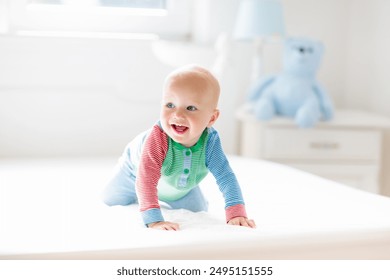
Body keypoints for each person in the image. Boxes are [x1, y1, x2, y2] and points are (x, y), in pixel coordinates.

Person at [102, 65, 256, 231]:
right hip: (133, 175)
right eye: (170, 105)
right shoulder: (157, 139)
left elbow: (226, 177)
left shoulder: (210, 142)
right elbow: (146, 179)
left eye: (190, 108)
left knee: (200, 211)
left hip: (180, 188)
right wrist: (154, 220)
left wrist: (236, 213)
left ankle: (160, 196)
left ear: (211, 118)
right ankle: (143, 198)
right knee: (110, 199)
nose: (178, 115)